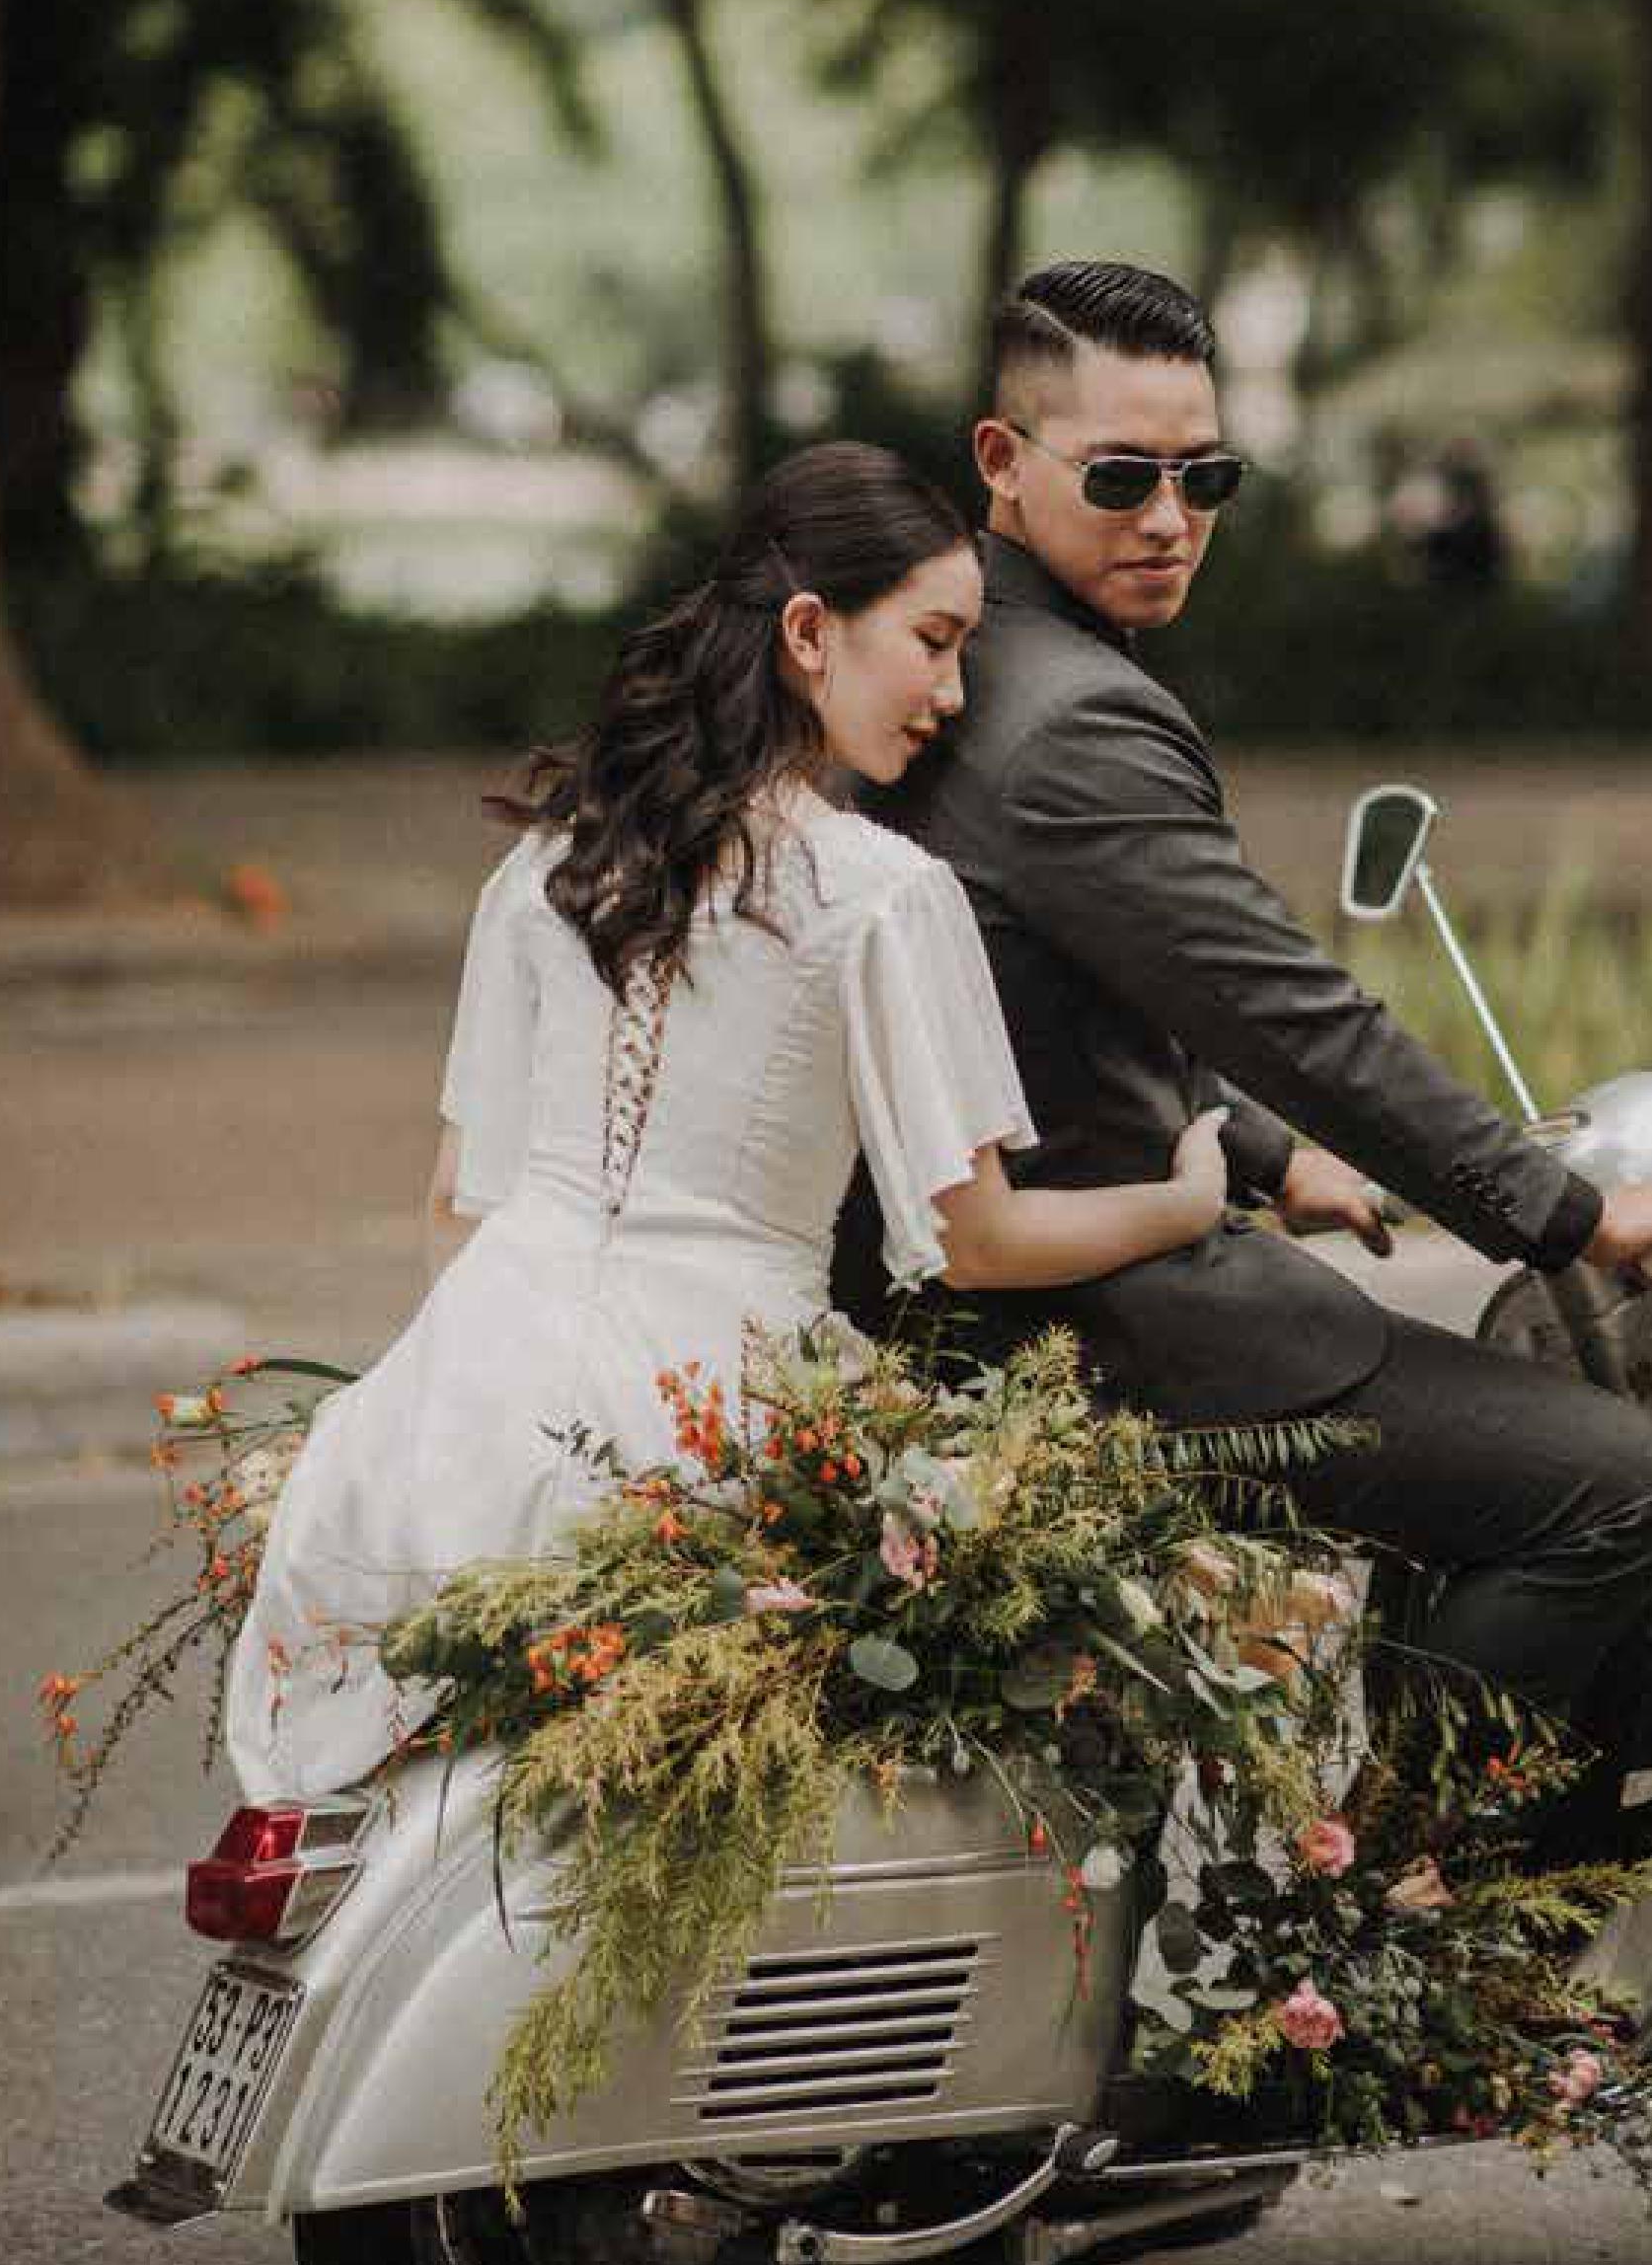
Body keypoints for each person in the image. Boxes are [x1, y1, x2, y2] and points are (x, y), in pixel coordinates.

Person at [832, 263, 1652, 1854]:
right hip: (1094, 1322)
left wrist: (1261, 1153)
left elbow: (1046, 996)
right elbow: (1288, 1011)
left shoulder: (952, 663)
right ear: (1002, 460)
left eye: (1206, 477)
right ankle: (1366, 1896)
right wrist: (1564, 1213)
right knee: (1607, 1480)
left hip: (967, 1284)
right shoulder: (1071, 716)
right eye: (1123, 477)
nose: (1171, 518)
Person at [225, 441, 1232, 1802]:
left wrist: (466, 1408)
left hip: (461, 1401)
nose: (952, 694)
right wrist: (1184, 1202)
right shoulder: (877, 895)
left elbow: (457, 1201)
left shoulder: (552, 864)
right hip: (712, 1415)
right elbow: (978, 1239)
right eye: (935, 642)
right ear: (810, 632)